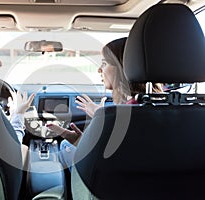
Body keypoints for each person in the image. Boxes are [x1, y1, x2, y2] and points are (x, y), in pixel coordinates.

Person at [47, 37, 162, 169]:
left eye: (105, 63)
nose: (99, 70)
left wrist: (102, 119)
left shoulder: (126, 114)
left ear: (123, 67)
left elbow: (106, 161)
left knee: (64, 146)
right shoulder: (161, 105)